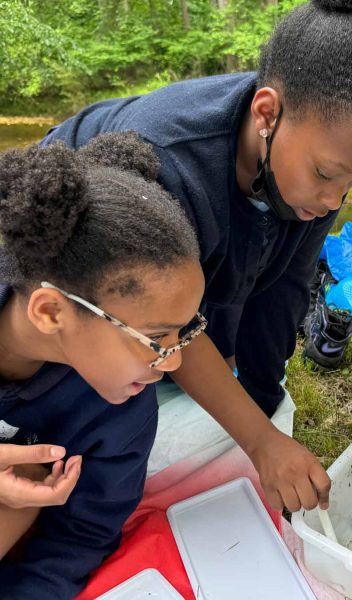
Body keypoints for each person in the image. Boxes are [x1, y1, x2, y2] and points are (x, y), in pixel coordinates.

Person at [42, 0, 352, 513]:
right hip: (78, 239)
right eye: (328, 175)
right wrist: (259, 442)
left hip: (192, 247)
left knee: (235, 356)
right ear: (266, 113)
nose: (334, 200)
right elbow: (168, 322)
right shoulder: (166, 158)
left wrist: (264, 407)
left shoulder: (314, 161)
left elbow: (286, 287)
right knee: (113, 392)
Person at [0, 133, 205, 597]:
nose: (174, 361)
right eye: (154, 339)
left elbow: (83, 533)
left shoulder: (122, 410)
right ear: (51, 311)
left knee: (36, 474)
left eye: (183, 332)